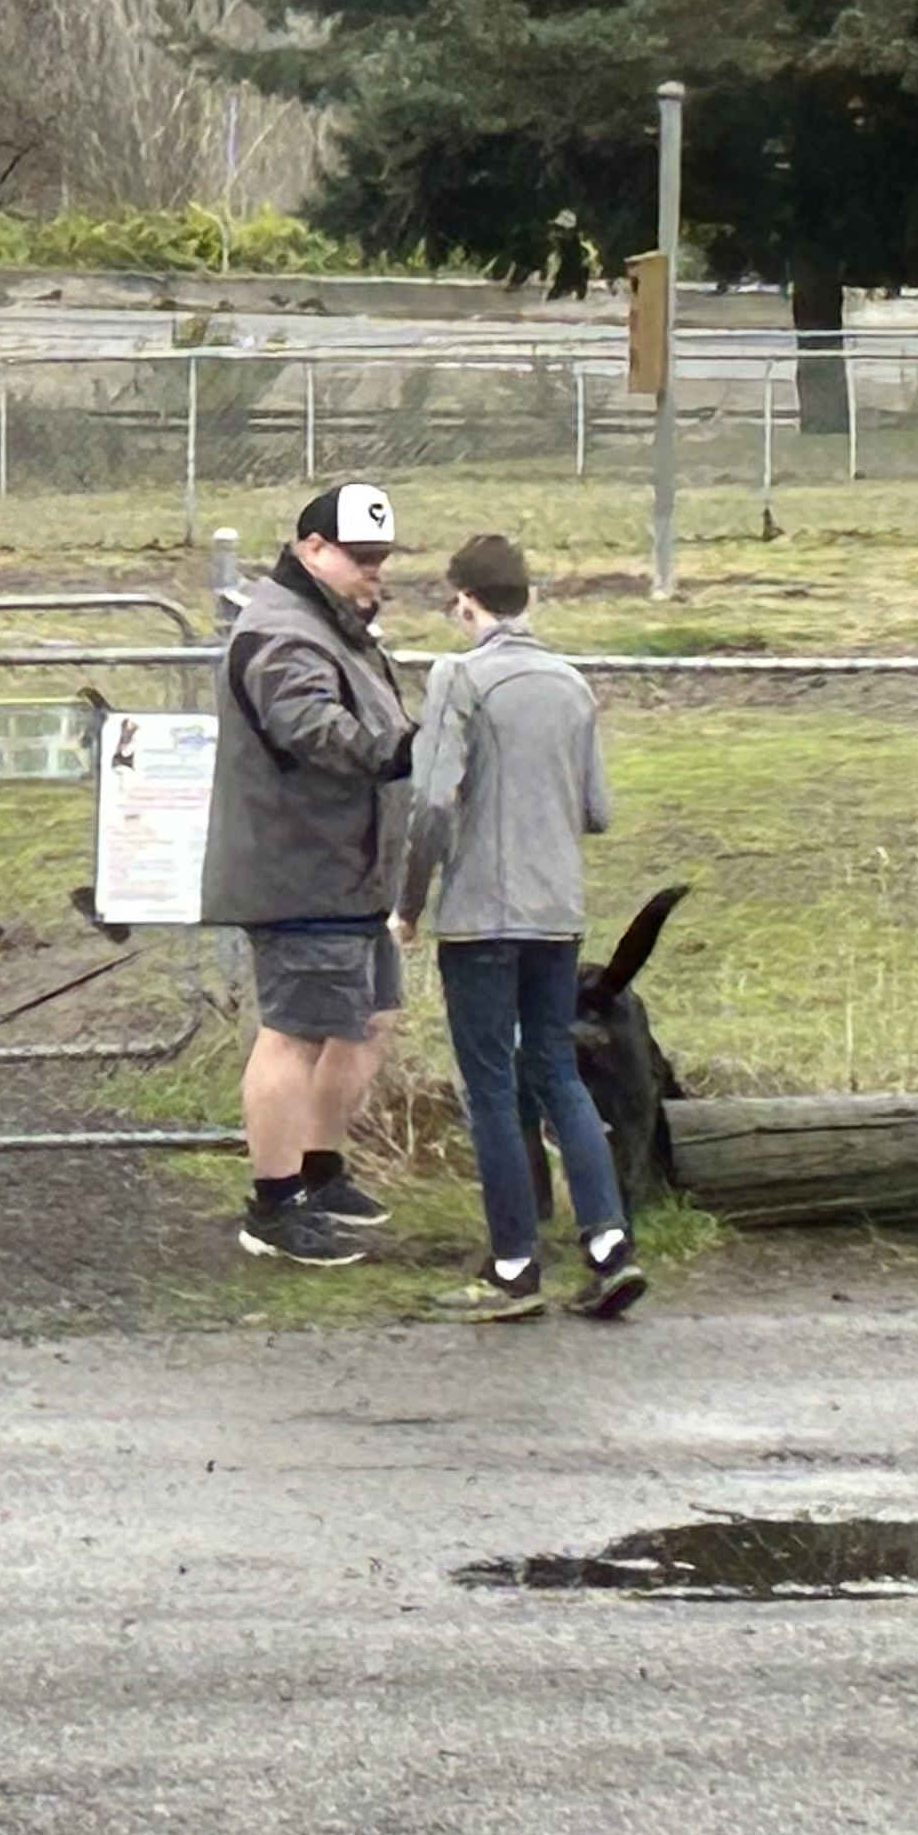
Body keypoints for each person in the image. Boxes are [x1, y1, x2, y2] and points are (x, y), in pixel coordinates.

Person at [393, 532, 647, 1323]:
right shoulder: (572, 685)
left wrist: (408, 903)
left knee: (492, 1089)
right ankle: (609, 1248)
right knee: (556, 1072)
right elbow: (595, 809)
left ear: (463, 600)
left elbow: (432, 801)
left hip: (481, 917)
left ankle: (512, 1265)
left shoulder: (458, 678)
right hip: (556, 911)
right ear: (529, 599)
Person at [202, 480, 415, 1268]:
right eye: (360, 559)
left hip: (351, 870)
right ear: (311, 550)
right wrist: (403, 752)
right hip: (301, 869)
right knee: (293, 1034)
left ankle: (320, 1172)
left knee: (368, 1021)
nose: (374, 574)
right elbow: (311, 727)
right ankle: (274, 1204)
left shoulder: (336, 624)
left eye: (381, 560)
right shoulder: (283, 635)